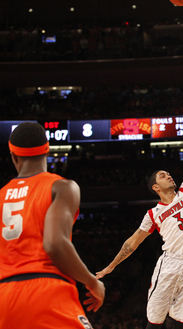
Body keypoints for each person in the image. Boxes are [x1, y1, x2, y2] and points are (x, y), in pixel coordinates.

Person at [96, 103, 183, 329]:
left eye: (168, 173)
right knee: (155, 319)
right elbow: (132, 242)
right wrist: (111, 266)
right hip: (170, 263)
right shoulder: (152, 214)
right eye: (163, 175)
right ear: (155, 187)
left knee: (180, 319)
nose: (169, 176)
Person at [0, 122, 105, 328]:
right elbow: (54, 244)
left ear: (13, 156)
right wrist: (92, 282)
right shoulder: (62, 187)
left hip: (3, 297)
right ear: (47, 150)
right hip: (46, 290)